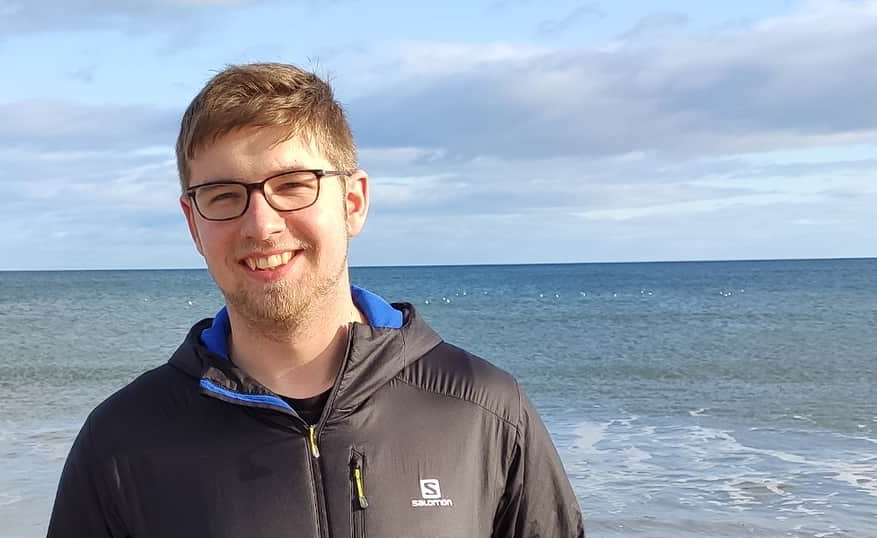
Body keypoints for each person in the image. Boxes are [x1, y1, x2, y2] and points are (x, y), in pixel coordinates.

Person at [48, 62, 584, 537]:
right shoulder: (122, 444)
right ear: (193, 223)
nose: (261, 223)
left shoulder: (484, 411)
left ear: (353, 202)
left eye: (293, 184)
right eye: (224, 196)